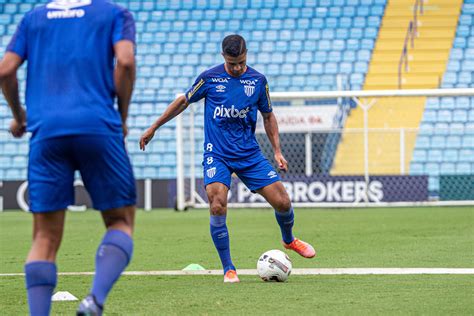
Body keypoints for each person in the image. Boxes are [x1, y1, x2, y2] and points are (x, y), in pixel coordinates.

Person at [140, 34, 315, 283]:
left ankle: (289, 240)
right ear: (223, 57)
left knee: (283, 202)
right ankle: (229, 268)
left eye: (241, 62)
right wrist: (154, 126)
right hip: (217, 153)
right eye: (233, 63)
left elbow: (268, 115)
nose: (238, 68)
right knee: (217, 203)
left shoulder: (257, 80)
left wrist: (277, 151)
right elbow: (183, 101)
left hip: (249, 154)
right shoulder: (210, 78)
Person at [0, 0, 136, 314]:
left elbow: (5, 70)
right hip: (98, 127)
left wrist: (20, 117)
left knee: (44, 237)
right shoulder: (116, 13)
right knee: (120, 221)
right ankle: (94, 299)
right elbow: (125, 62)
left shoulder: (34, 17)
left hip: (46, 133)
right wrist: (122, 116)